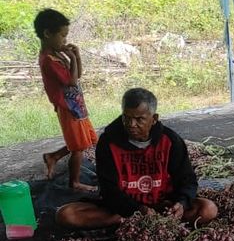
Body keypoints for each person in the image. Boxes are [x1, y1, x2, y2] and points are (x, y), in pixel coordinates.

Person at [56, 88, 217, 229]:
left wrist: (181, 203)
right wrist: (138, 210)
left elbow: (187, 179)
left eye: (139, 119)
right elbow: (108, 189)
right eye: (127, 118)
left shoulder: (170, 141)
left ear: (154, 119)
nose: (131, 124)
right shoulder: (108, 142)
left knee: (208, 209)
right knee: (66, 215)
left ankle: (140, 221)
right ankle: (128, 220)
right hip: (124, 208)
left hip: (163, 205)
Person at [34, 9, 98, 192]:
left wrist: (76, 57)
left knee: (86, 140)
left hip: (76, 104)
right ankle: (75, 182)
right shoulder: (48, 60)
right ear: (47, 34)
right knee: (79, 147)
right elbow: (71, 81)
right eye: (62, 35)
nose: (64, 40)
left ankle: (53, 156)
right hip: (67, 107)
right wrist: (72, 57)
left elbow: (77, 75)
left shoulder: (57, 53)